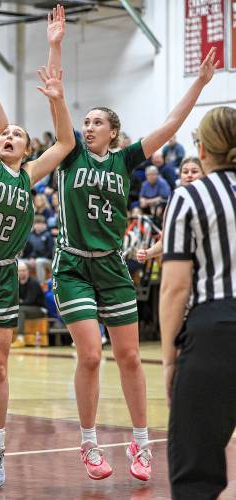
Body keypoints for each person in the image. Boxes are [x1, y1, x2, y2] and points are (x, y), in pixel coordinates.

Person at [51, 43, 218, 483]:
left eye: (97, 122)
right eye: (85, 121)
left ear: (114, 133)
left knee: (128, 357)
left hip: (111, 265)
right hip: (72, 266)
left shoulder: (126, 160)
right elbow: (55, 100)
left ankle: (141, 444)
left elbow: (171, 124)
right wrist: (55, 55)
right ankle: (89, 443)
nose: (88, 127)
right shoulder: (70, 153)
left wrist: (199, 83)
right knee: (89, 355)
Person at [0, 7, 74, 490]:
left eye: (16, 135)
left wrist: (56, 94)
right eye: (4, 133)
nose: (7, 135)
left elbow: (65, 141)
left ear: (25, 148)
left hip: (2, 271)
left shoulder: (29, 174)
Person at [160, 106, 236, 500]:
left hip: (216, 329)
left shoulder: (190, 197)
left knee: (197, 473)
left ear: (202, 150)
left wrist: (171, 359)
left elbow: (175, 288)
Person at [136, 157, 203, 264]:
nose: (189, 175)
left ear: (204, 174)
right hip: (184, 263)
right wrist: (148, 253)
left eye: (194, 172)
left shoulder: (212, 199)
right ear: (180, 176)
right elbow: (165, 239)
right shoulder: (174, 200)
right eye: (185, 172)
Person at [12, 260, 47, 348]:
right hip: (26, 309)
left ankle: (20, 339)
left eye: (24, 270)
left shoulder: (33, 283)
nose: (22, 273)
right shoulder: (17, 283)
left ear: (28, 271)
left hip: (39, 309)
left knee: (20, 310)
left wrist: (19, 302)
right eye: (20, 271)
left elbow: (30, 301)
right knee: (16, 309)